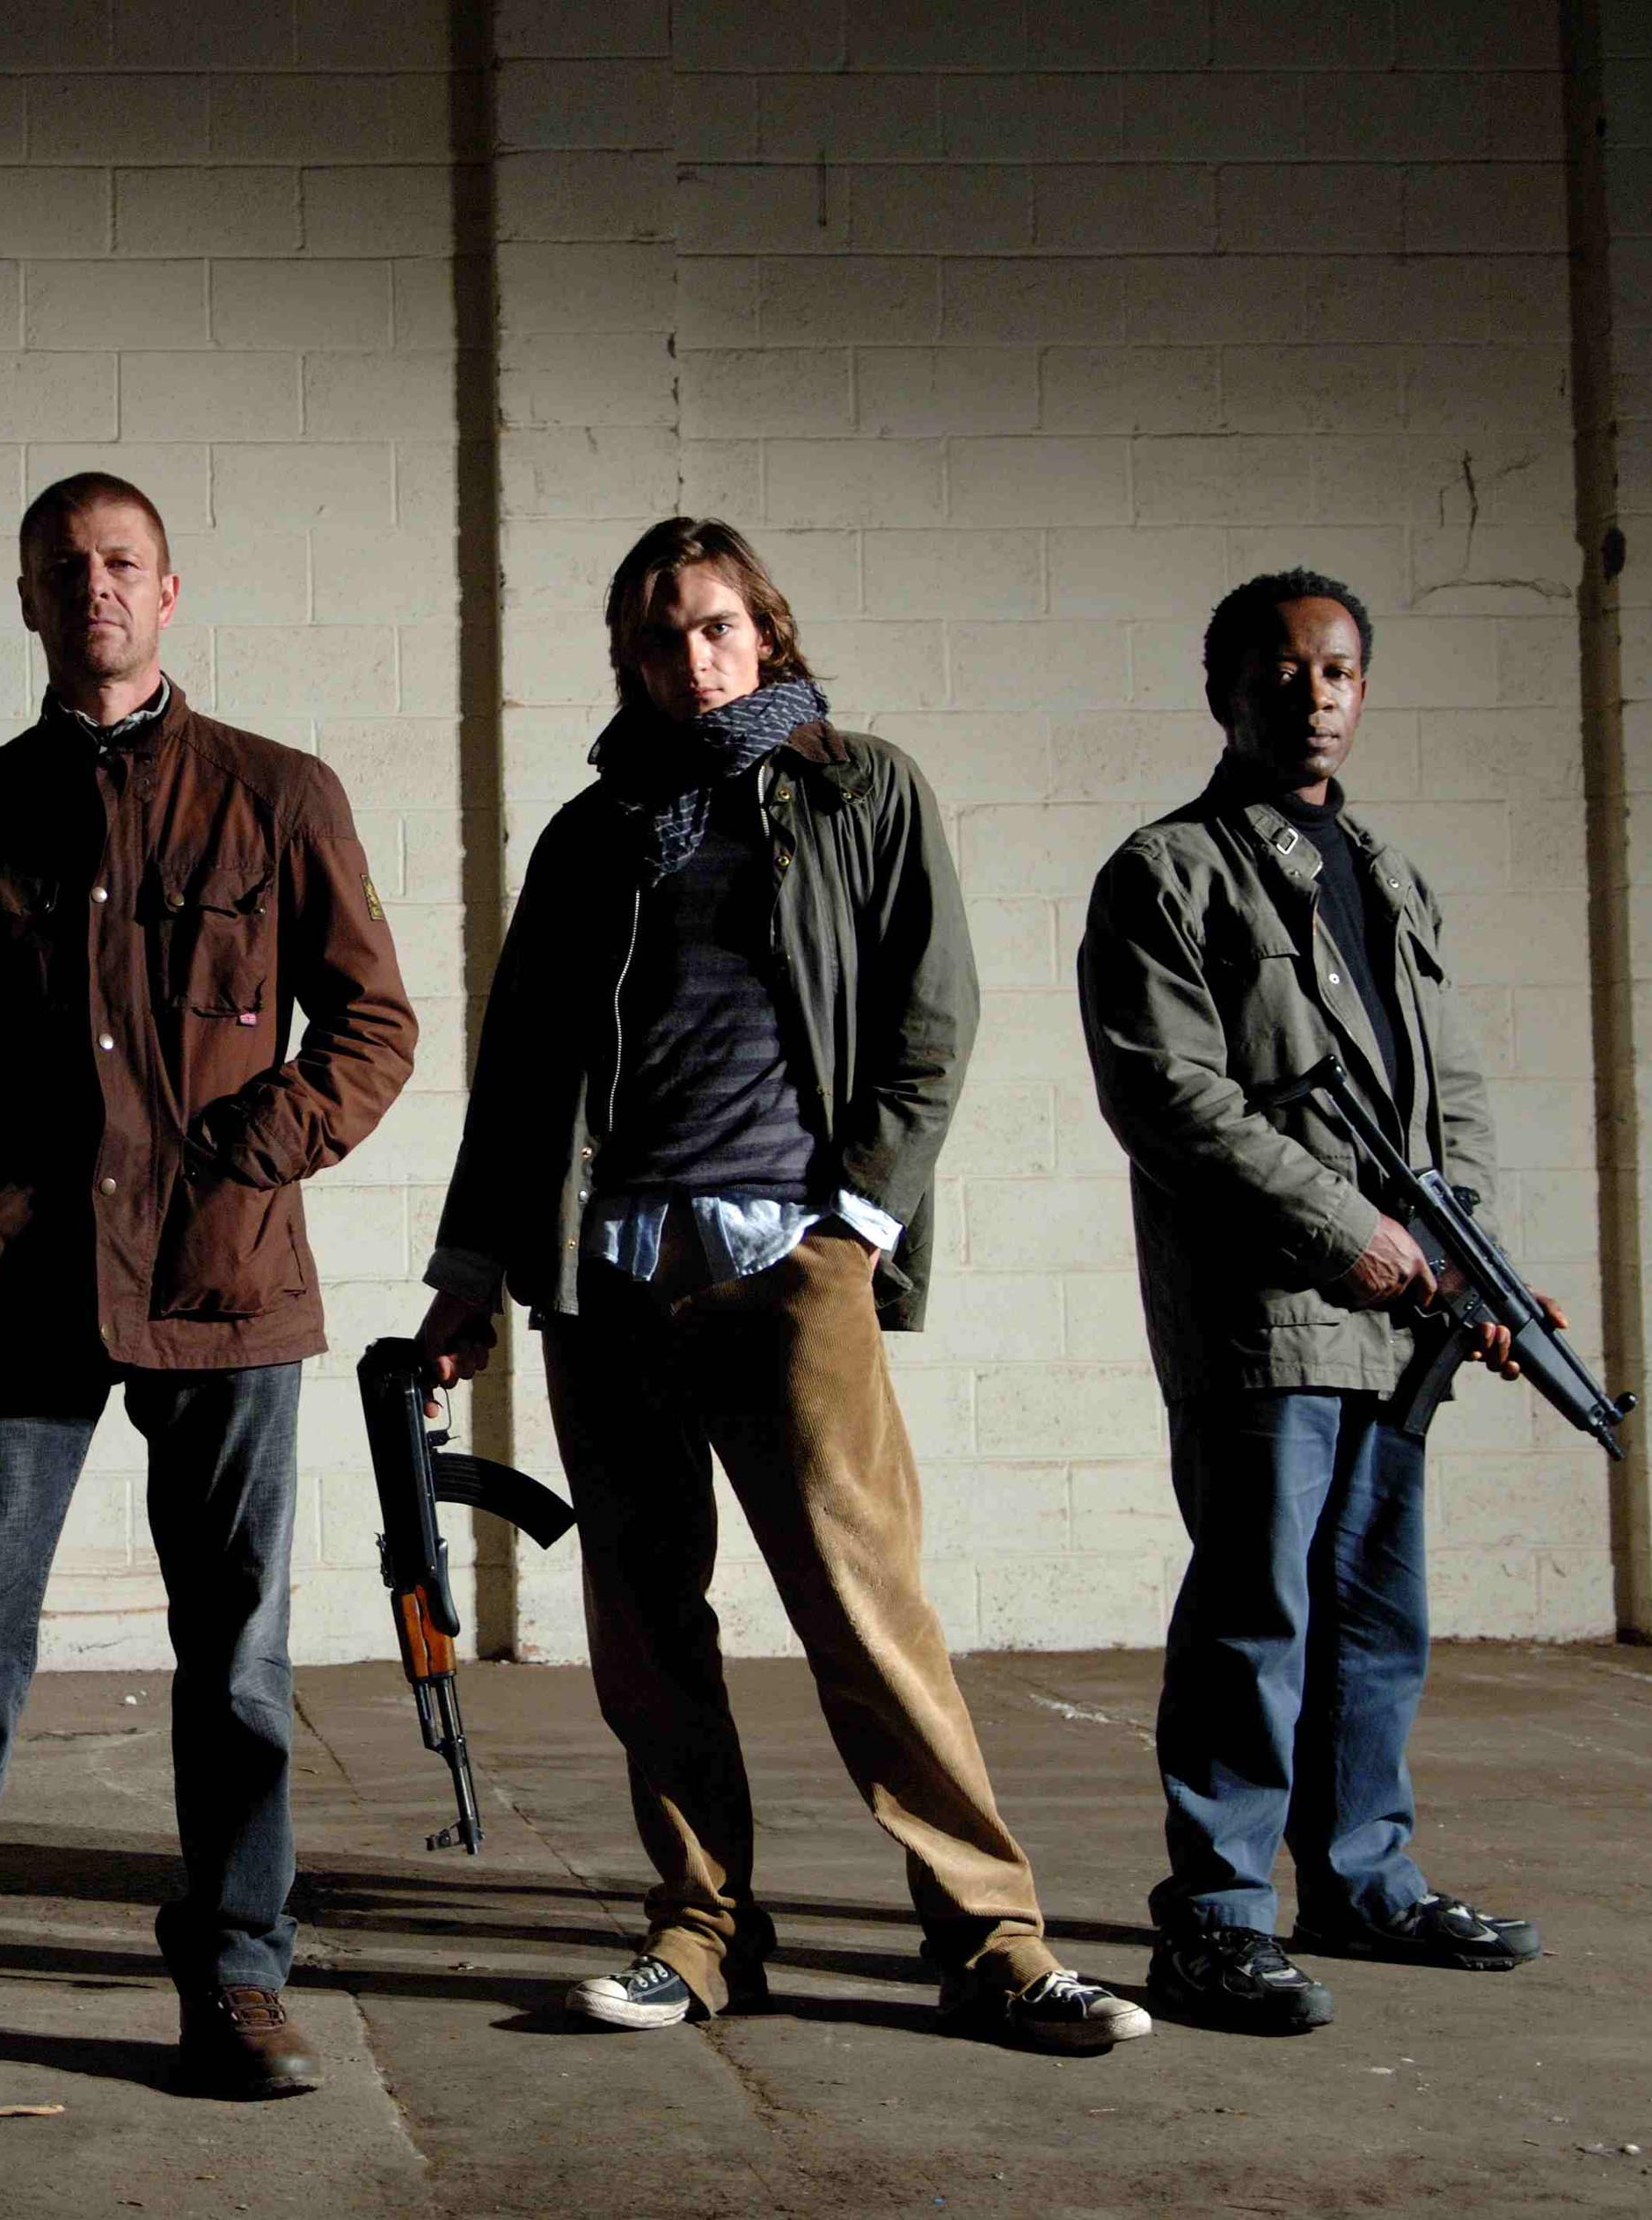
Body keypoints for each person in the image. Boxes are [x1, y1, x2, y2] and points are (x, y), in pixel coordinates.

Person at [417, 517, 1151, 2055]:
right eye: (659, 636)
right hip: (613, 1269)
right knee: (646, 1626)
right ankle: (701, 1932)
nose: (692, 660)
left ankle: (994, 1938)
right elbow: (524, 1071)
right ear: (628, 659)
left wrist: (857, 1225)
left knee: (866, 1610)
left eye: (716, 627)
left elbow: (933, 1011)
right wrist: (472, 1279)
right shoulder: (591, 832)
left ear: (767, 631)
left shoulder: (860, 787)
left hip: (790, 1261)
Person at [0, 472, 418, 2119]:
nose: (93, 587)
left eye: (121, 562)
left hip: (225, 1286)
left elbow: (374, 1026)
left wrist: (257, 1146)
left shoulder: (280, 795)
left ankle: (239, 1974)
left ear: (168, 592)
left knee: (238, 1668)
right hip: (17, 1286)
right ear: (27, 600)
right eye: (63, 567)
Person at [1077, 569, 1553, 2035]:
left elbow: (1450, 1090)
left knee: (1376, 1615)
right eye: (1281, 671)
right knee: (1256, 1615)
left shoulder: (1391, 877)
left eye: (1338, 671)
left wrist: (1465, 1258)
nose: (1314, 696)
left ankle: (1361, 1880)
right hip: (1269, 1304)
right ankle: (1217, 1917)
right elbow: (1172, 1097)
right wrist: (1351, 1234)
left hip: (1402, 1313)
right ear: (1221, 689)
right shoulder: (1168, 873)